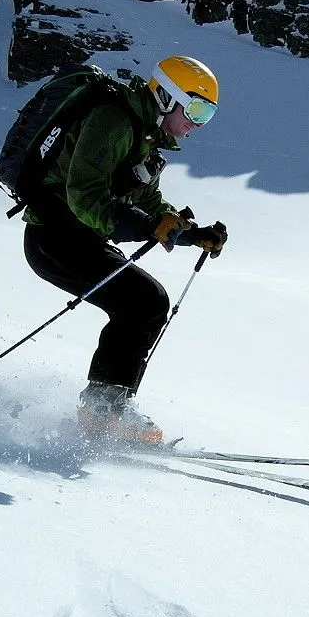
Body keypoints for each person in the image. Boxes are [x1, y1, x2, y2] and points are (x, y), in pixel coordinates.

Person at [21, 55, 228, 444]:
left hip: (77, 238)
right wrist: (145, 226)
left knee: (145, 303)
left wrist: (192, 234)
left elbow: (150, 206)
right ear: (166, 96)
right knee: (145, 301)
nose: (197, 124)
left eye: (208, 116)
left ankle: (106, 409)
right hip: (53, 236)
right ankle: (104, 410)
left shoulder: (145, 138)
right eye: (196, 110)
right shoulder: (113, 120)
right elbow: (84, 194)